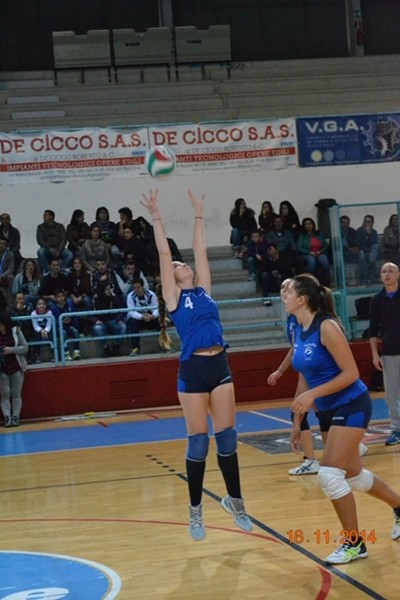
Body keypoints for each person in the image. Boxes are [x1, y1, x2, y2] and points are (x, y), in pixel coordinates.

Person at [140, 188, 253, 541]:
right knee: (199, 443)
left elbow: (200, 250)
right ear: (171, 278)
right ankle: (195, 510)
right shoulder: (173, 297)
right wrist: (156, 214)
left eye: (182, 263)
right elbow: (164, 253)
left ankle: (236, 502)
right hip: (193, 371)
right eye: (177, 266)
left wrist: (199, 213)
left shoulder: (203, 289)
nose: (182, 263)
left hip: (220, 365)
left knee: (228, 438)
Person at [287, 274, 400, 564]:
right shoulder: (298, 329)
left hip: (352, 404)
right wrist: (297, 422)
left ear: (302, 299)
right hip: (327, 408)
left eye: (288, 291)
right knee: (354, 477)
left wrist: (313, 395)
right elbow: (304, 376)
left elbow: (351, 373)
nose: (283, 295)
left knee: (329, 474)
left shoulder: (326, 326)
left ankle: (354, 544)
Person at [369, 262, 400, 446]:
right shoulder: (377, 300)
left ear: (398, 274)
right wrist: (375, 354)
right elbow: (373, 329)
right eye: (383, 271)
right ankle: (397, 429)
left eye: (391, 271)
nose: (387, 274)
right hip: (388, 353)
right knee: (391, 395)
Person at [0, 311, 28, 427]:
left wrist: (11, 350)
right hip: (2, 368)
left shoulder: (16, 331)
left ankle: (16, 417)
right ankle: (7, 417)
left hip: (16, 366)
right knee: (5, 394)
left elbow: (25, 348)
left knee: (16, 393)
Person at [126, 278, 160, 356]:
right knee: (132, 322)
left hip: (149, 318)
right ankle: (135, 348)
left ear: (142, 286)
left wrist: (153, 316)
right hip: (138, 319)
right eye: (134, 288)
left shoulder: (151, 294)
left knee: (160, 320)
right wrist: (141, 317)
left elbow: (157, 308)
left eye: (138, 287)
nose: (136, 290)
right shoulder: (130, 296)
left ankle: (164, 344)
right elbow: (131, 311)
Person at [92, 282, 127, 358]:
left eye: (110, 289)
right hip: (101, 322)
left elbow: (120, 310)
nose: (109, 291)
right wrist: (96, 321)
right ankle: (106, 348)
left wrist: (119, 319)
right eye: (107, 289)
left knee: (123, 326)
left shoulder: (114, 298)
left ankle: (116, 347)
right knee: (97, 328)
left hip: (113, 321)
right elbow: (91, 314)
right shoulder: (96, 299)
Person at [36, 209, 73, 274]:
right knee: (40, 252)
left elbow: (64, 239)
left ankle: (61, 270)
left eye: (45, 215)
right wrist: (49, 248)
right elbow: (40, 240)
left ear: (51, 217)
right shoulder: (40, 227)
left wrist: (59, 250)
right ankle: (47, 271)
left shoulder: (60, 226)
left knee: (69, 255)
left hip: (59, 249)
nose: (43, 217)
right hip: (47, 249)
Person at [296, 217, 331, 286]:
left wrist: (320, 251)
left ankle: (327, 280)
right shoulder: (302, 235)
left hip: (319, 252)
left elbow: (325, 245)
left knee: (324, 259)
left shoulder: (319, 234)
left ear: (313, 225)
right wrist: (309, 252)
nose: (308, 226)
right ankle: (310, 281)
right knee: (311, 260)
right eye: (306, 224)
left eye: (310, 224)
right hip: (307, 254)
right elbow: (299, 248)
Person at [50, 290, 81, 361]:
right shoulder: (53, 308)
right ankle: (66, 353)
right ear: (56, 298)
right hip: (59, 327)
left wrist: (72, 324)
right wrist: (61, 322)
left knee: (75, 331)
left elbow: (74, 316)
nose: (60, 298)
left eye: (62, 296)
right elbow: (53, 322)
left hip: (69, 326)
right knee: (63, 333)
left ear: (64, 297)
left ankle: (76, 352)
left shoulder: (69, 304)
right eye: (58, 297)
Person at [357, 215, 379, 284]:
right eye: (365, 221)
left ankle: (371, 277)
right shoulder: (359, 231)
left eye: (369, 222)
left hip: (371, 251)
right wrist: (367, 250)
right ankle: (366, 277)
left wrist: (369, 234)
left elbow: (373, 242)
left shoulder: (374, 232)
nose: (367, 223)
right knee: (362, 256)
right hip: (362, 250)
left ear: (372, 223)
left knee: (375, 246)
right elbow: (359, 243)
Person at [30, 297, 53, 364]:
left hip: (47, 329)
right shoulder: (33, 314)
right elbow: (35, 326)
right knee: (37, 336)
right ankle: (37, 355)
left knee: (51, 335)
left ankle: (53, 353)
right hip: (37, 330)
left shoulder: (49, 312)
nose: (41, 305)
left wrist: (45, 331)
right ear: (36, 306)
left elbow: (49, 325)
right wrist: (41, 330)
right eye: (39, 304)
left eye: (43, 304)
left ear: (46, 305)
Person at [0, 238, 15, 306]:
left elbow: (11, 269)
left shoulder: (10, 254)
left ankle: (10, 301)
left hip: (3, 278)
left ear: (6, 246)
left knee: (11, 277)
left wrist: (2, 276)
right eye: (0, 243)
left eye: (3, 244)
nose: (1, 245)